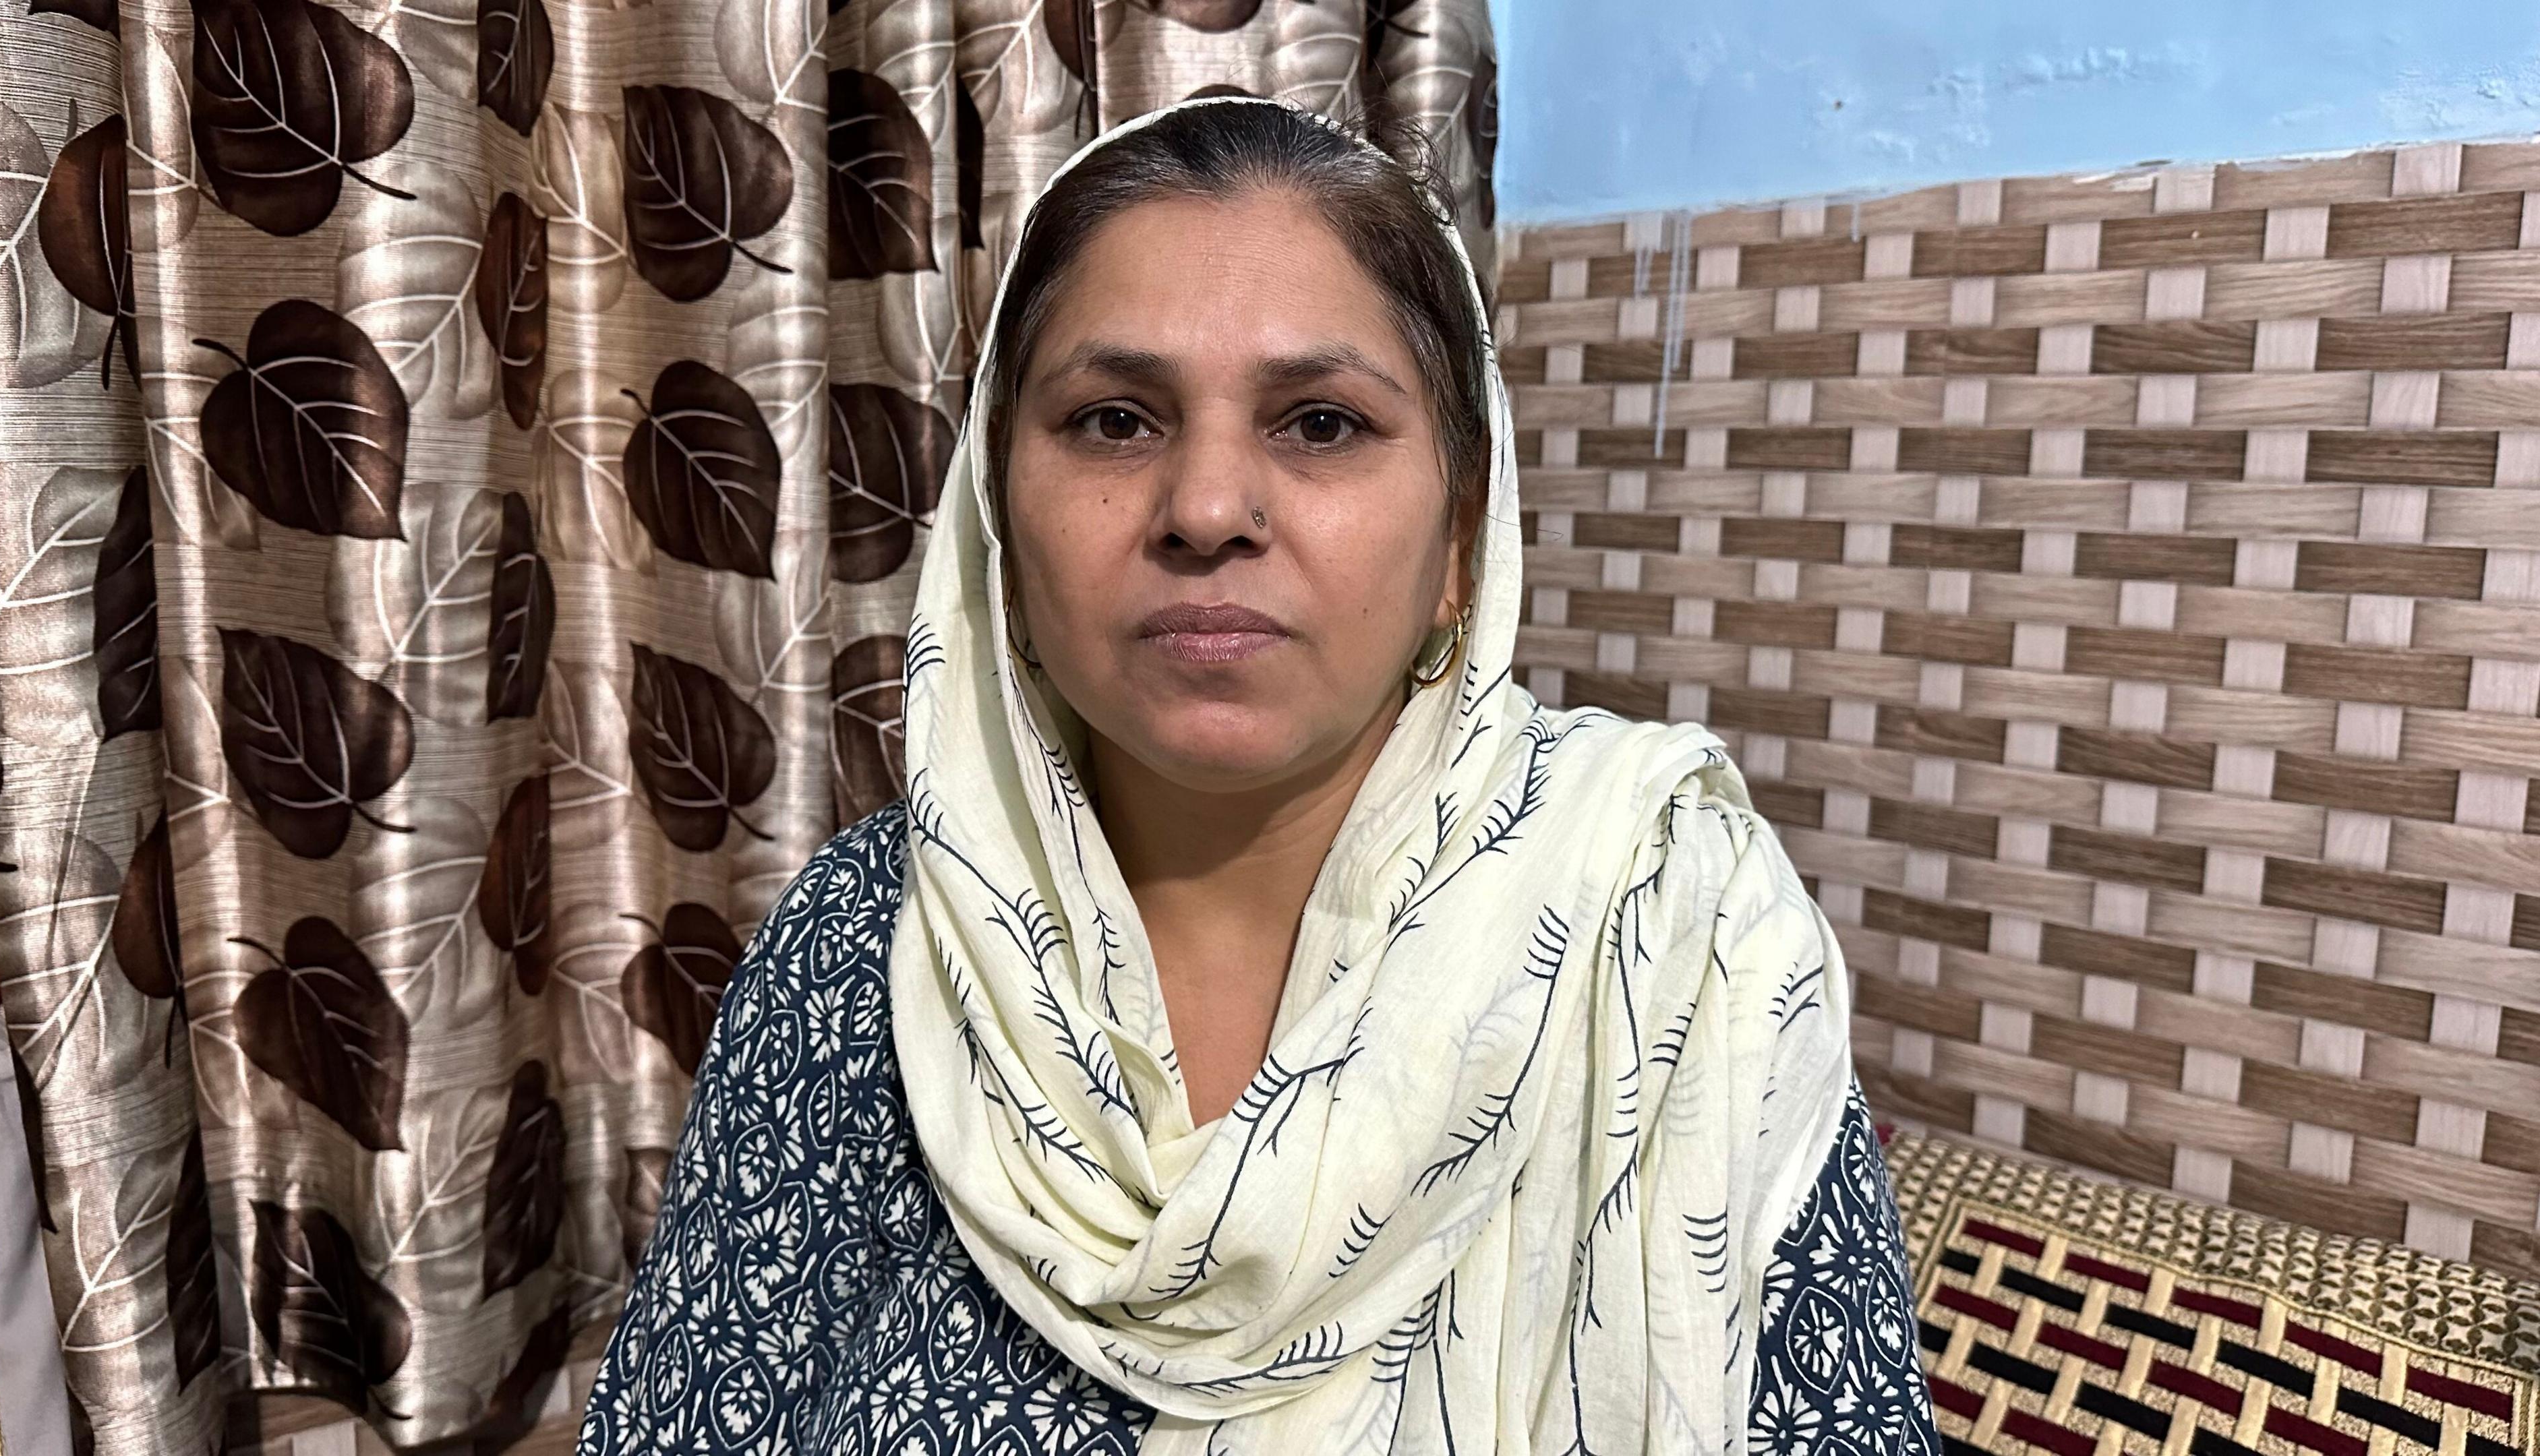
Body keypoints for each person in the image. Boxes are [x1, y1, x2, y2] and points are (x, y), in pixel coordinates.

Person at [577, 94, 1936, 1456]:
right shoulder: (872, 945)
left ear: (1463, 534)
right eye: (1114, 420)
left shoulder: (1673, 925)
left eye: (1321, 424)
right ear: (998, 510)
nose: (1208, 507)